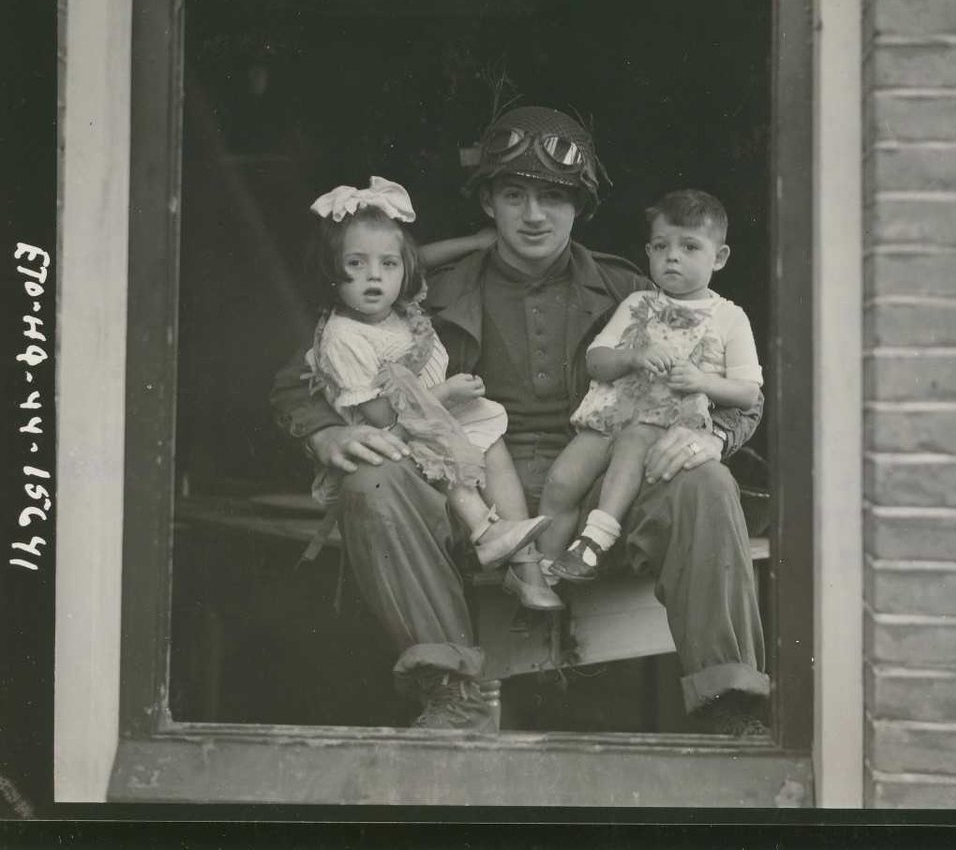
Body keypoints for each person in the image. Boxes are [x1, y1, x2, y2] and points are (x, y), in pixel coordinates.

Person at [270, 105, 770, 735]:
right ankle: (452, 693)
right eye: (515, 195)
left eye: (554, 198)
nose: (534, 215)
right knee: (370, 483)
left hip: (598, 493)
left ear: (579, 208)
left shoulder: (631, 291)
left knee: (707, 481)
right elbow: (302, 376)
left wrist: (712, 438)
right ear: (488, 204)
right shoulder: (425, 288)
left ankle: (729, 704)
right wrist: (326, 429)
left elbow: (743, 396)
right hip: (462, 490)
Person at [302, 176, 552, 583]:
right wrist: (447, 392)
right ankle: (485, 532)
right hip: (392, 438)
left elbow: (420, 255)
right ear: (332, 270)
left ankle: (523, 555)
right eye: (355, 264)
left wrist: (473, 242)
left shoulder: (399, 306)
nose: (374, 277)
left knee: (490, 437)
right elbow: (384, 418)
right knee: (441, 444)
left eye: (388, 264)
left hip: (432, 417)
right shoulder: (344, 337)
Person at [540, 190, 762, 582]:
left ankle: (594, 542)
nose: (672, 256)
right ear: (648, 251)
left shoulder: (729, 318)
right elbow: (596, 360)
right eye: (661, 246)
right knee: (561, 481)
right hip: (610, 415)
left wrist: (703, 382)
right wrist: (632, 356)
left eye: (690, 246)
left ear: (720, 257)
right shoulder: (637, 303)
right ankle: (545, 572)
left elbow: (747, 392)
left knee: (633, 445)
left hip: (666, 429)